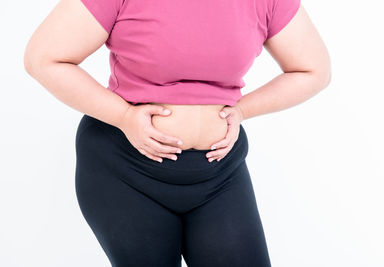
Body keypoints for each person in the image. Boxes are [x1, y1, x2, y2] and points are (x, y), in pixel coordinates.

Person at [24, 0, 331, 265]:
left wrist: (242, 110)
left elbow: (313, 69)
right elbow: (44, 57)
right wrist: (125, 115)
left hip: (218, 174)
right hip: (127, 172)